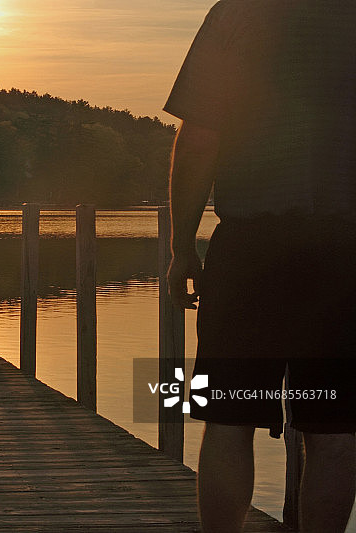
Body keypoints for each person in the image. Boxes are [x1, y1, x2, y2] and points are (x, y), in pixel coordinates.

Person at [164, 1, 356, 531]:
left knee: (229, 414)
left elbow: (200, 139)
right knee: (337, 426)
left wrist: (183, 246)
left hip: (253, 247)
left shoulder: (239, 15)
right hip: (345, 250)